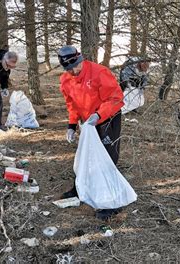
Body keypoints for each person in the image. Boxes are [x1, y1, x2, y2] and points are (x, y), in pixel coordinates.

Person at [57, 45, 124, 221]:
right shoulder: (66, 80)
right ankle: (79, 189)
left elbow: (116, 99)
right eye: (68, 69)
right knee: (86, 156)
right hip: (88, 122)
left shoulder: (99, 72)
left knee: (107, 157)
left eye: (75, 66)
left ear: (80, 60)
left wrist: (99, 115)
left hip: (108, 118)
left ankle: (111, 202)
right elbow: (72, 105)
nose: (73, 71)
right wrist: (72, 125)